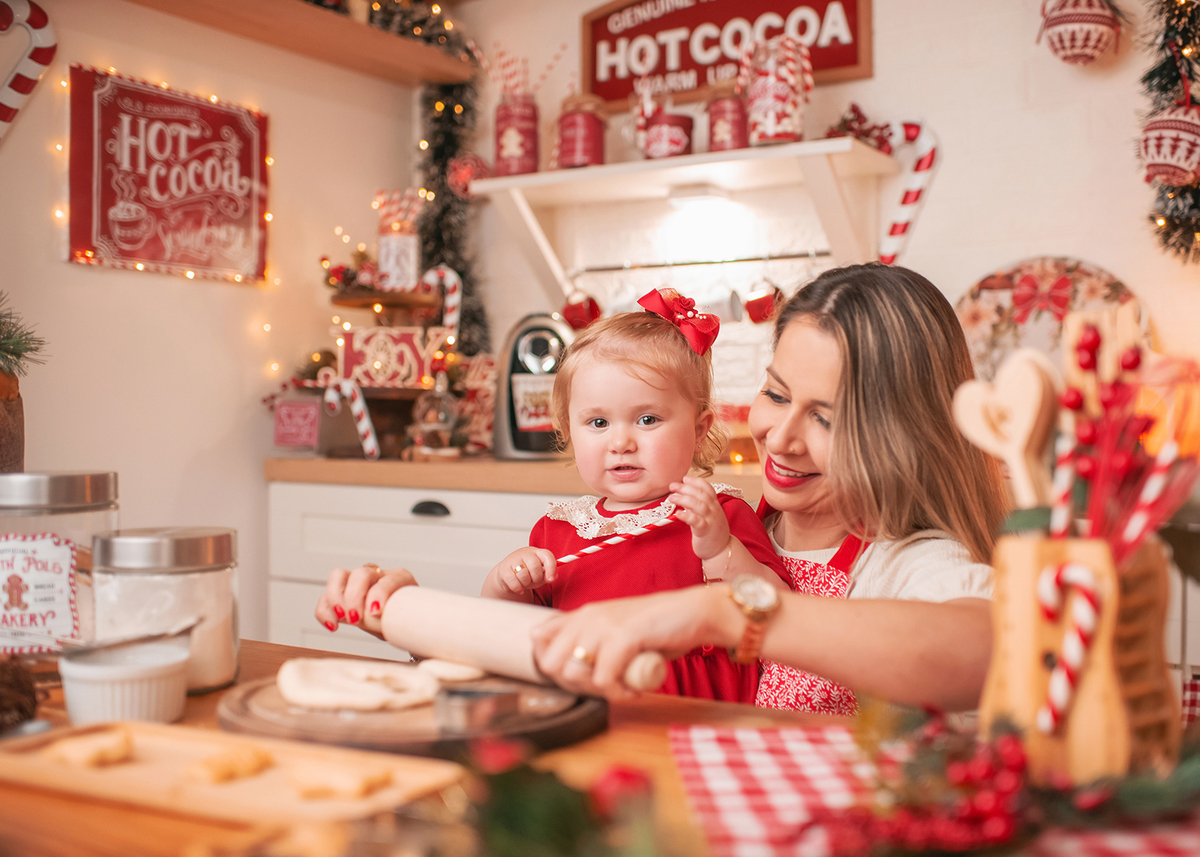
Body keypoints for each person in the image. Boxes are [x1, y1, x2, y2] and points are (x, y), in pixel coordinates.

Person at [530, 264, 1009, 714]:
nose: (779, 439)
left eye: (826, 419)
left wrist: (724, 613)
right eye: (776, 395)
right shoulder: (739, 524)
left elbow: (990, 651)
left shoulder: (905, 564)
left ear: (905, 435)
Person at [317, 288, 788, 704]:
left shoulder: (721, 513)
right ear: (569, 430)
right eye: (598, 422)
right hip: (581, 706)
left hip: (690, 710)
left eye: (647, 419)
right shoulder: (559, 528)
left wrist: (720, 550)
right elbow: (516, 637)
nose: (621, 442)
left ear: (699, 428)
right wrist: (507, 587)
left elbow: (783, 614)